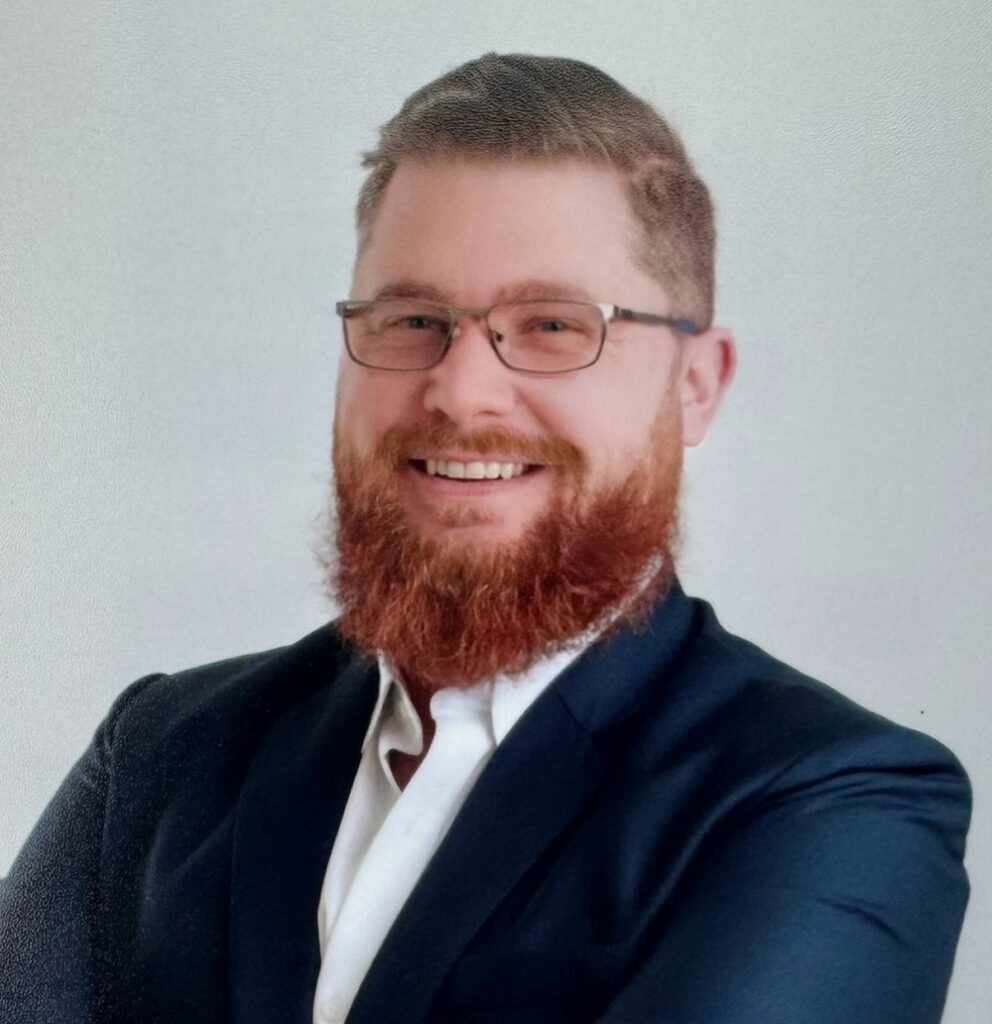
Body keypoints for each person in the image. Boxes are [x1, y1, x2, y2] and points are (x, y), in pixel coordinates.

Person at [0, 53, 971, 1024]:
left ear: (694, 384)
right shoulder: (167, 750)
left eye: (551, 325)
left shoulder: (831, 805)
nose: (459, 390)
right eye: (412, 318)